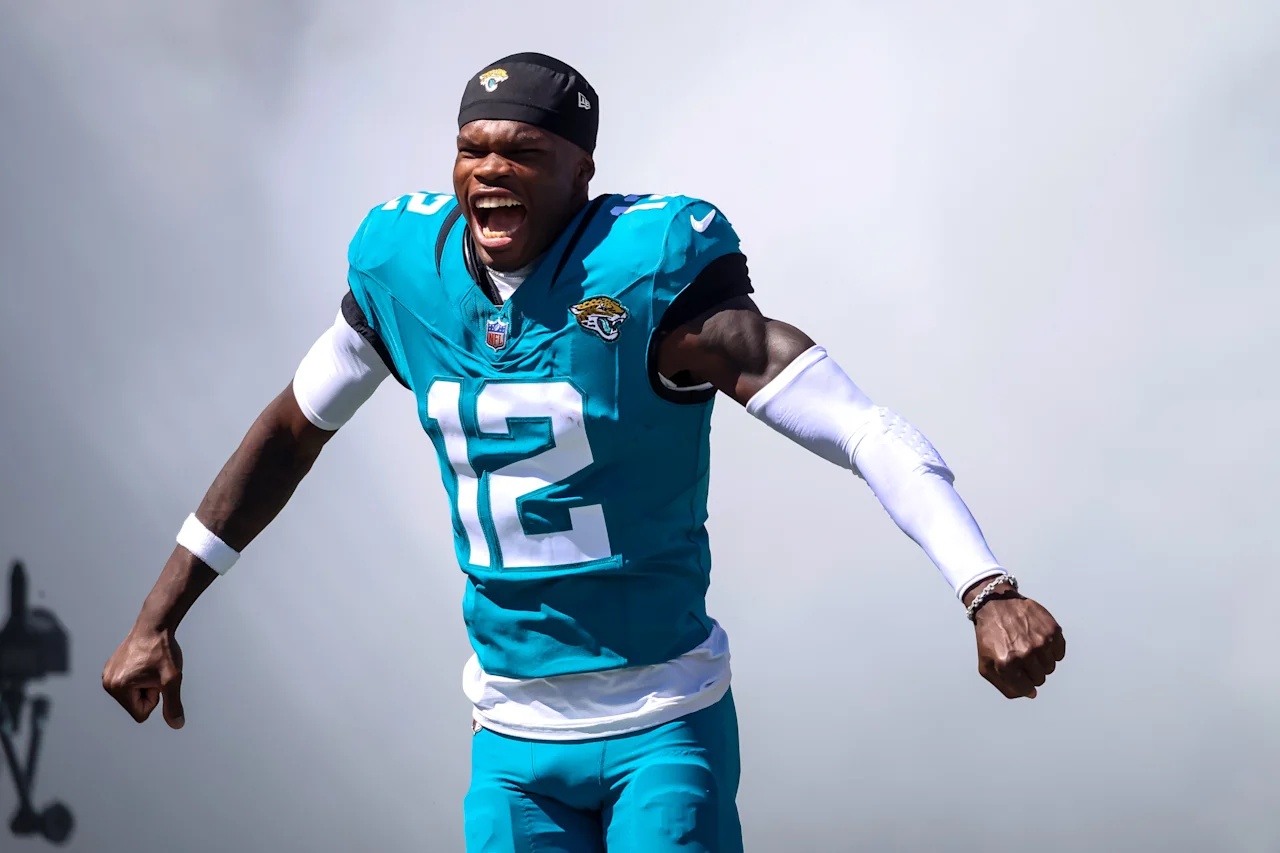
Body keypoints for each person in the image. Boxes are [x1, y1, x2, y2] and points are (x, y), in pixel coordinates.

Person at [103, 52, 1066, 852]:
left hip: (662, 721)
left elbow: (859, 424)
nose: (489, 169)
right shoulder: (408, 273)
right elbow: (286, 432)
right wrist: (159, 615)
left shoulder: (654, 282)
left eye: (522, 151)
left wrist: (985, 585)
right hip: (510, 739)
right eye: (472, 148)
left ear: (581, 172)